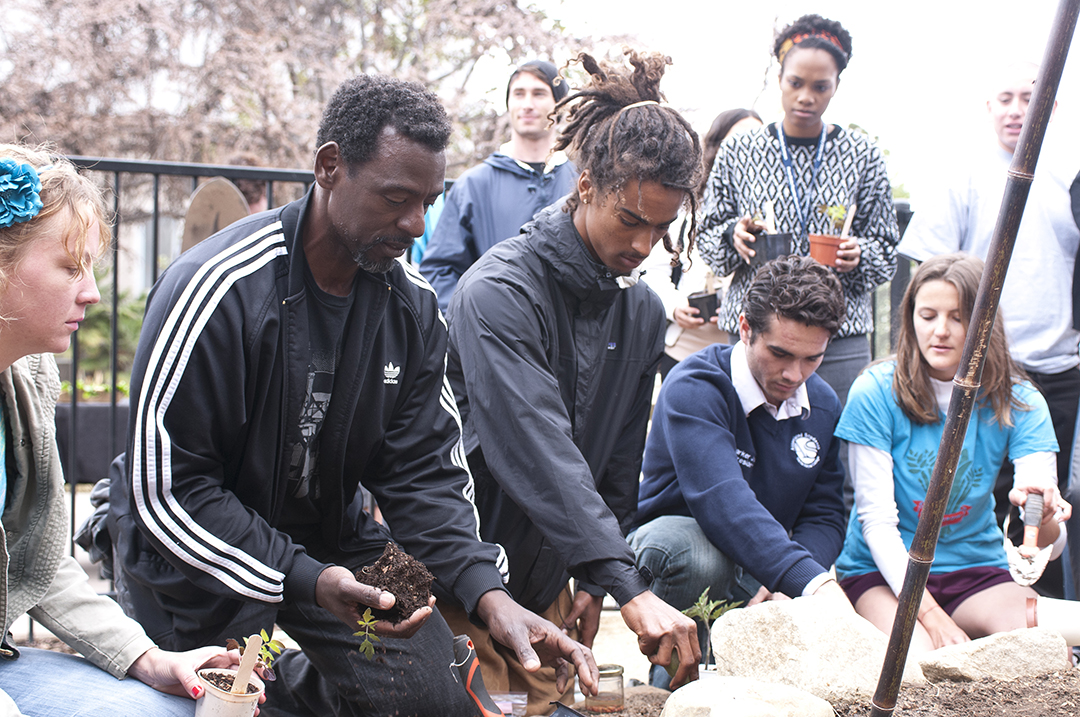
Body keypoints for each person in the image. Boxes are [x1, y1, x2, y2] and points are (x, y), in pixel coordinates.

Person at [106, 75, 597, 717]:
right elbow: (168, 489)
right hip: (196, 549)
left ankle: (336, 681)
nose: (415, 223)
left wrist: (488, 594)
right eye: (396, 197)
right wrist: (305, 580)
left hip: (338, 534)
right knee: (217, 704)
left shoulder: (413, 306)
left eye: (429, 201)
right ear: (330, 167)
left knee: (433, 704)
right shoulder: (217, 288)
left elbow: (425, 473)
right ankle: (282, 683)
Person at [442, 49, 702, 711]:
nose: (646, 245)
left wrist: (593, 575)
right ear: (585, 184)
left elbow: (618, 460)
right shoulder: (497, 293)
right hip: (459, 574)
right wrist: (626, 582)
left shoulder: (641, 311)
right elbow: (537, 445)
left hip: (549, 579)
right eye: (632, 219)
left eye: (663, 227)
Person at [0, 144, 253, 716]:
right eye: (70, 267)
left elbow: (41, 562)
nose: (90, 292)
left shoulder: (29, 376)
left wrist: (149, 658)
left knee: (176, 709)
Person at [898, 62, 1080, 599]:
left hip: (1059, 364)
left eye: (1029, 97)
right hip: (979, 370)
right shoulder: (965, 174)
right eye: (1005, 98)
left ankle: (1039, 621)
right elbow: (931, 273)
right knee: (971, 492)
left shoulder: (1068, 174)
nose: (1017, 110)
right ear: (988, 107)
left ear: (1048, 104)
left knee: (1043, 502)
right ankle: (968, 603)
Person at [835, 253, 1073, 653]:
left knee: (1047, 654)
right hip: (883, 573)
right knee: (911, 664)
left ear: (984, 322)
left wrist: (1044, 518)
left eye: (958, 317)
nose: (940, 331)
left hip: (975, 569)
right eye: (928, 315)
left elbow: (1050, 543)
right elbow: (876, 523)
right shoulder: (874, 390)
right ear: (910, 318)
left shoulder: (1021, 399)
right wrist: (932, 619)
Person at [632, 255, 851, 688]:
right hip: (679, 551)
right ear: (746, 328)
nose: (794, 374)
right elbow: (721, 502)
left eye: (812, 359)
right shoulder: (695, 385)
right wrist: (809, 581)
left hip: (765, 559)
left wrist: (787, 582)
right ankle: (674, 688)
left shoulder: (822, 404)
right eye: (780, 353)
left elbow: (826, 513)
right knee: (698, 556)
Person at [697, 13, 899, 408]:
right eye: (796, 83)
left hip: (836, 338)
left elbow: (887, 249)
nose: (807, 96)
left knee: (835, 450)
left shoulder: (863, 155)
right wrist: (731, 236)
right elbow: (707, 235)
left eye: (820, 86)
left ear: (836, 85)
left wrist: (859, 256)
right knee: (750, 444)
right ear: (779, 79)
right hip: (758, 335)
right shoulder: (741, 151)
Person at [420, 60, 578, 311]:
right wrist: (474, 324)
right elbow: (440, 272)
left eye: (539, 94)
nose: (527, 104)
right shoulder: (474, 185)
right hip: (494, 340)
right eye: (519, 93)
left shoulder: (583, 183)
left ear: (559, 104)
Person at [641, 108, 763, 377]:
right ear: (716, 148)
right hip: (682, 350)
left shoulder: (771, 214)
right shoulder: (685, 206)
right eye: (735, 141)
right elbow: (654, 269)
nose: (745, 150)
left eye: (756, 140)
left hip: (746, 355)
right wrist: (675, 307)